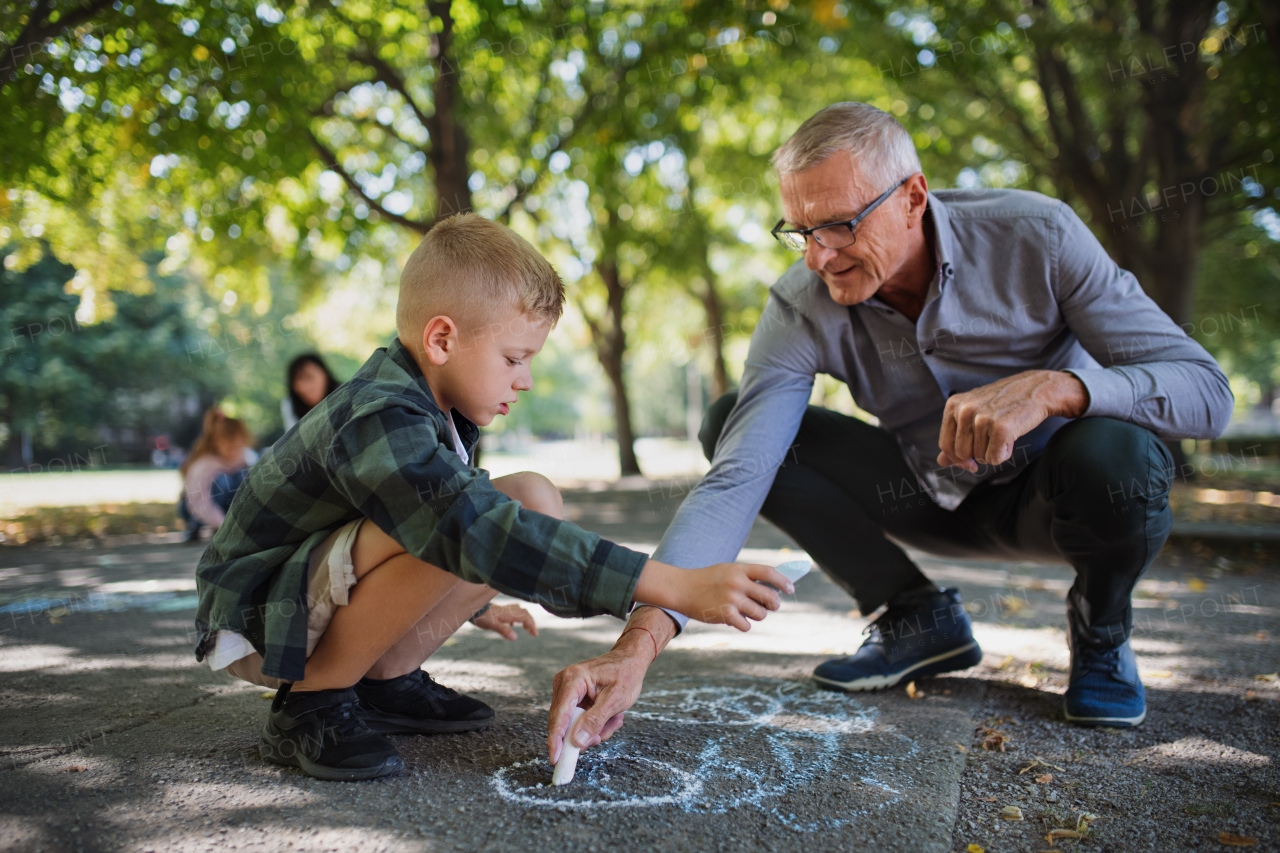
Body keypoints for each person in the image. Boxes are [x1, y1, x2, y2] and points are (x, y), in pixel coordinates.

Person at [547, 101, 1234, 760]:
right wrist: (638, 642)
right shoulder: (802, 303)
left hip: (1059, 496)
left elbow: (1207, 393)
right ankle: (914, 615)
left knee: (1121, 449)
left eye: (840, 224)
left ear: (913, 197)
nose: (820, 255)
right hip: (927, 494)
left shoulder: (1039, 236)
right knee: (728, 421)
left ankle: (1103, 624)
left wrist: (1063, 388)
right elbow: (740, 473)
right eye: (801, 230)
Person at [192, 213, 793, 782]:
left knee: (529, 495)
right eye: (514, 358)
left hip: (305, 595)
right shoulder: (379, 415)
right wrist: (670, 585)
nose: (525, 379)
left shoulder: (434, 408)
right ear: (442, 339)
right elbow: (464, 526)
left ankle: (382, 680)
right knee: (465, 520)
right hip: (261, 617)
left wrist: (475, 605)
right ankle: (310, 704)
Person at [178, 408, 252, 543]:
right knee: (223, 481)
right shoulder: (205, 464)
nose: (234, 450)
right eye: (229, 446)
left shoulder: (241, 460)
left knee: (245, 477)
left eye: (238, 446)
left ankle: (230, 521)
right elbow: (197, 501)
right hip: (194, 507)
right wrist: (224, 525)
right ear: (215, 443)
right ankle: (194, 526)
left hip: (220, 507)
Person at [282, 353, 341, 432]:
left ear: (325, 374)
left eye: (309, 377)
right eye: (299, 379)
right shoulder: (290, 404)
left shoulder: (345, 394)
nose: (305, 386)